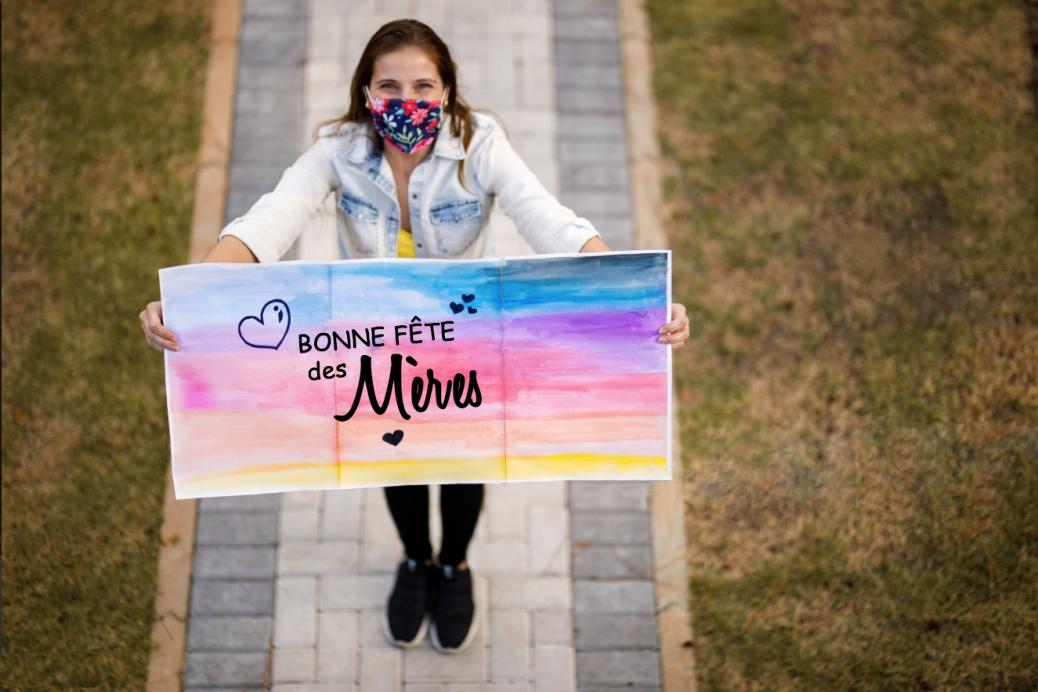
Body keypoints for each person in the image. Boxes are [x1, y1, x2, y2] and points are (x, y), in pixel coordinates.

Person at [139, 19, 690, 654]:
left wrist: (633, 293)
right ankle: (415, 559)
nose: (408, 101)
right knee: (392, 457)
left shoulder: (480, 144)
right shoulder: (337, 150)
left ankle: (453, 566)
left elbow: (550, 221)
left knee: (464, 464)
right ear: (367, 94)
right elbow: (268, 223)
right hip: (373, 340)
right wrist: (194, 298)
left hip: (463, 337)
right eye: (390, 86)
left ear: (449, 91)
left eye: (425, 86)